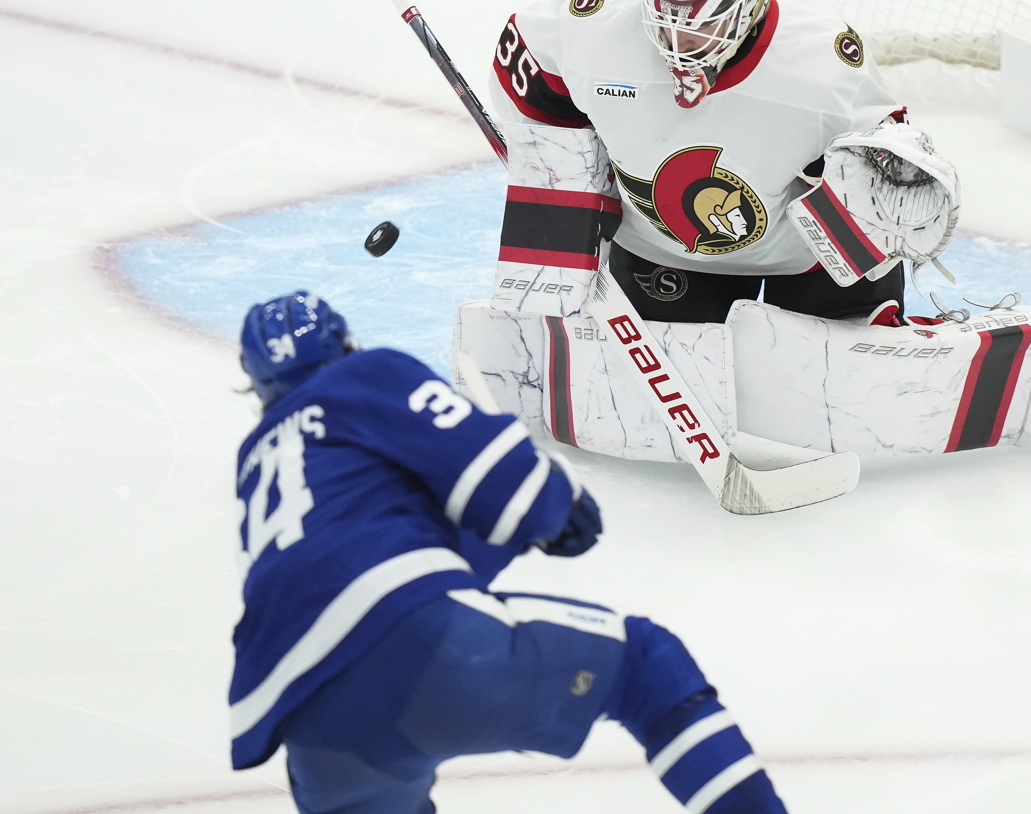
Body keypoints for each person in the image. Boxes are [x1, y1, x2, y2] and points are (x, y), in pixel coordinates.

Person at [228, 290, 790, 813]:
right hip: (412, 640)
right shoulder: (363, 376)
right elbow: (504, 482)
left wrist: (526, 528)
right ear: (344, 343)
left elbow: (391, 554)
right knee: (645, 666)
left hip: (307, 725)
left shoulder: (256, 459)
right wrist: (555, 503)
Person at [488, 0, 960, 328]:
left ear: (749, 10)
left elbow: (885, 178)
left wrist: (890, 190)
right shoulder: (597, 16)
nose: (676, 47)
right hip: (663, 251)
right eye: (663, 23)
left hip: (808, 262)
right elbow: (525, 70)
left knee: (854, 404)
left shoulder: (820, 62)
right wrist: (568, 177)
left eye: (698, 31)